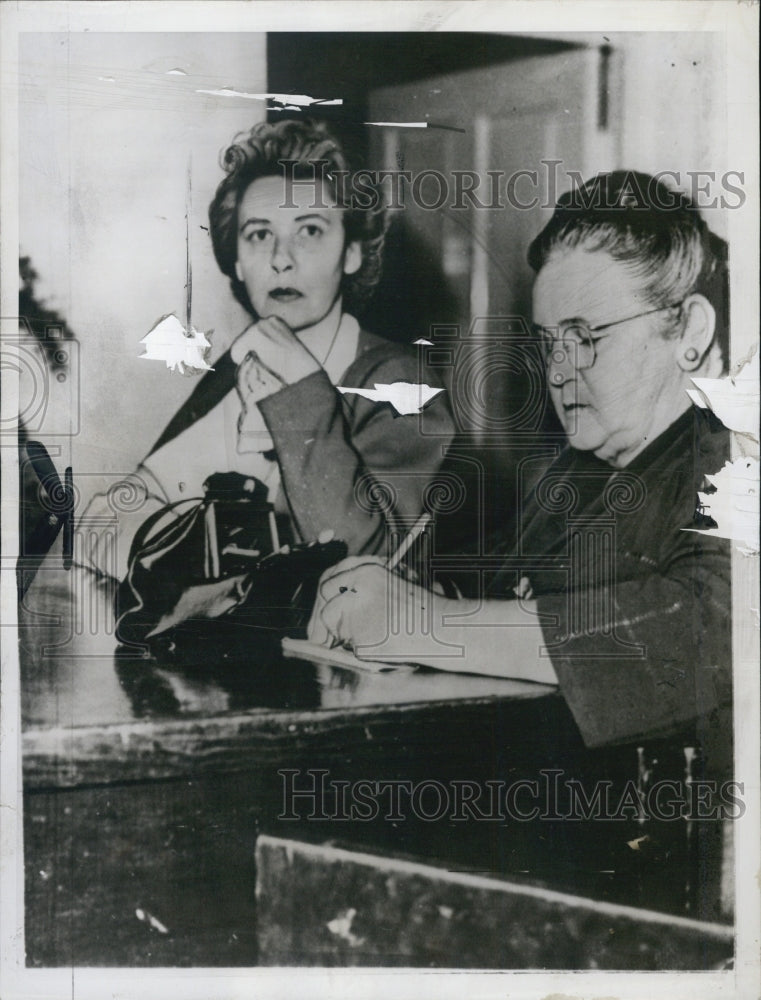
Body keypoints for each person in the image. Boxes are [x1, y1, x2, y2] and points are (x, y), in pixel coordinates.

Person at [308, 171, 732, 752]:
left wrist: (428, 624)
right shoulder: (581, 469)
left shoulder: (736, 465)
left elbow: (709, 634)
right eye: (549, 341)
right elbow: (499, 582)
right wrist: (395, 591)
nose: (558, 371)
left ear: (690, 331)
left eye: (586, 337)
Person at [82, 120, 453, 576]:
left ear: (352, 252)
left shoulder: (399, 380)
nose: (281, 258)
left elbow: (373, 566)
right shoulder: (238, 364)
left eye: (310, 231)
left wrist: (299, 388)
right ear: (236, 261)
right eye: (259, 234)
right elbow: (103, 519)